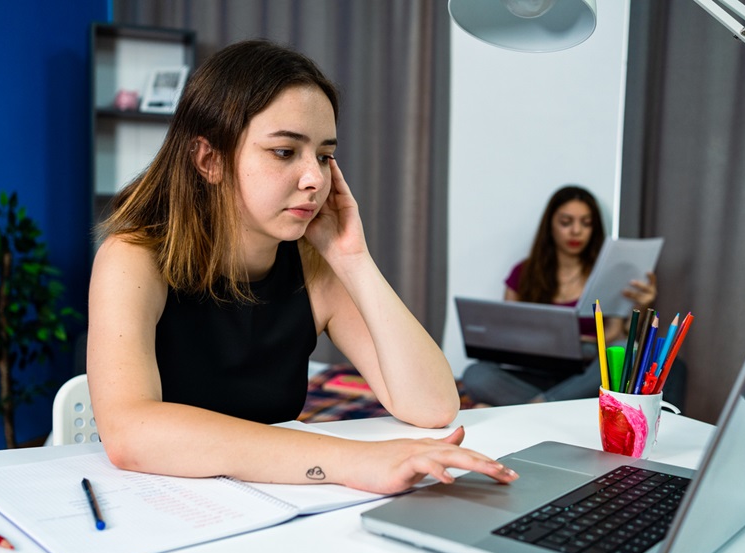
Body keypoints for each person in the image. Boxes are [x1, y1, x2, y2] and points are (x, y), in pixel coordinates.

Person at [86, 40, 518, 495]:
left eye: (325, 156)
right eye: (284, 152)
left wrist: (353, 259)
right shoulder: (133, 256)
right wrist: (352, 460)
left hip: (275, 501)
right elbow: (130, 432)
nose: (314, 178)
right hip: (158, 501)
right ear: (209, 160)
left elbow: (433, 406)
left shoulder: (314, 266)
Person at [462, 186, 685, 406]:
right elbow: (508, 335)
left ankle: (539, 405)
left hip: (587, 375)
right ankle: (552, 406)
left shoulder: (608, 272)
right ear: (550, 225)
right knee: (476, 374)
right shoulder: (524, 273)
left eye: (586, 223)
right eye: (566, 222)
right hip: (537, 372)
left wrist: (638, 308)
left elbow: (615, 335)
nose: (576, 231)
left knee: (626, 348)